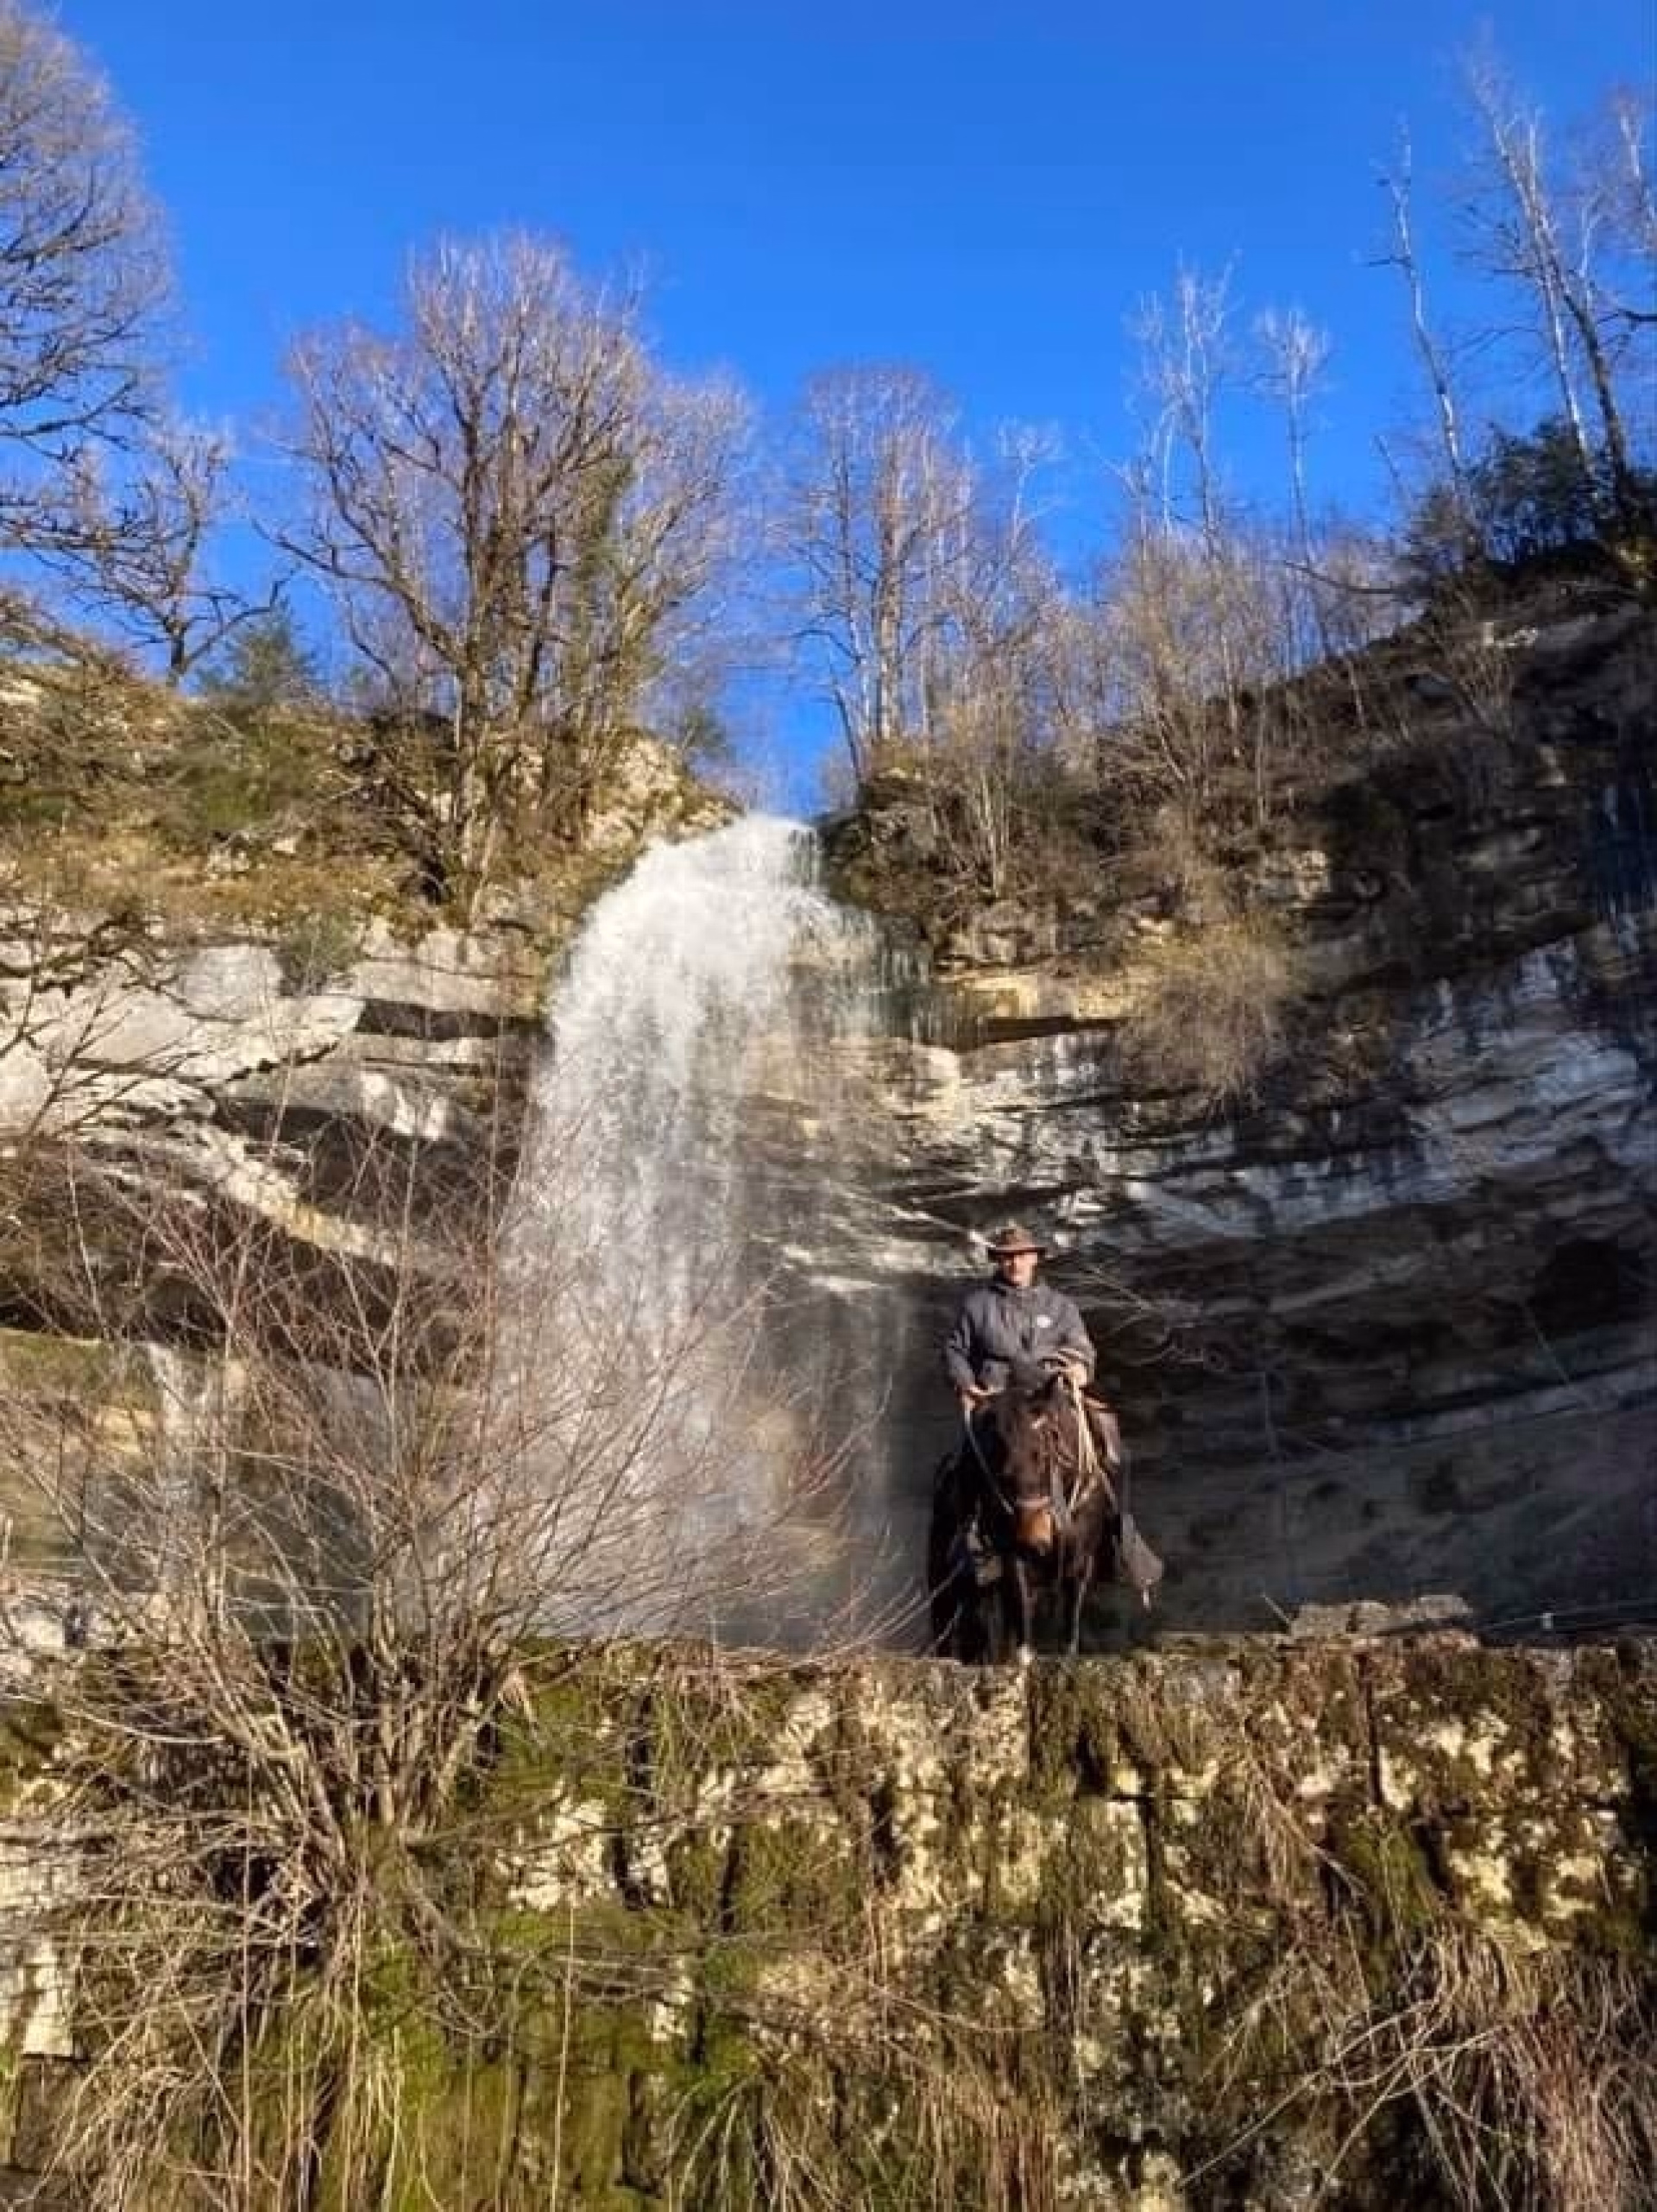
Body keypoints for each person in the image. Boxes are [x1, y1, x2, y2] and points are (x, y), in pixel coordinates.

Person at [943, 1222, 1123, 1471]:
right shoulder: (976, 1306)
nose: (1015, 1264)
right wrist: (965, 1384)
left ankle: (1109, 1502)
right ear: (998, 1261)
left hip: (1051, 1395)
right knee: (967, 1462)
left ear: (1035, 1258)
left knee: (1104, 1427)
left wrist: (1079, 1367)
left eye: (1022, 1256)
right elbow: (955, 1350)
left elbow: (1080, 1345)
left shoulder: (1061, 1306)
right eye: (1007, 1257)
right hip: (997, 1397)